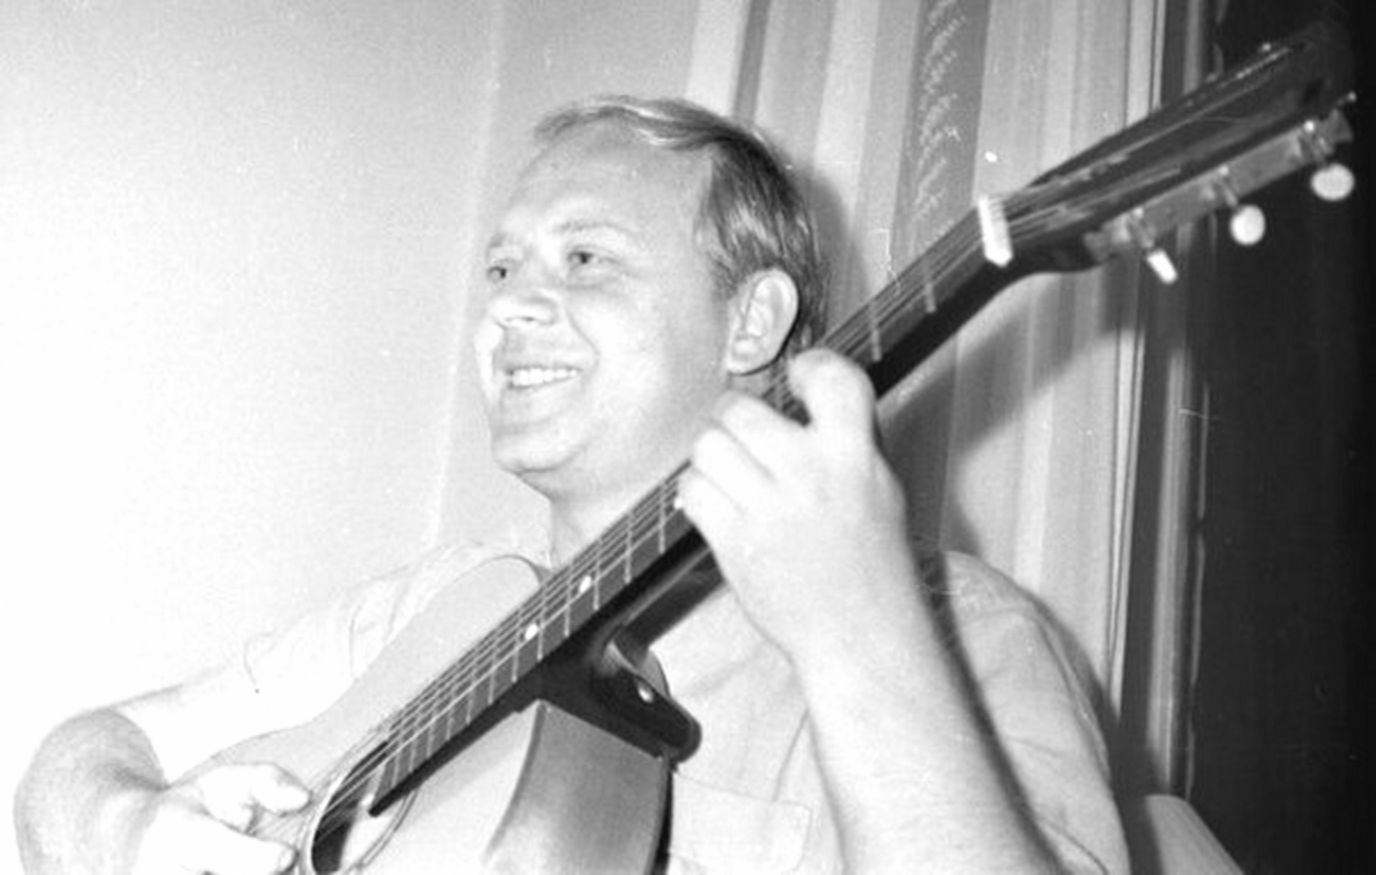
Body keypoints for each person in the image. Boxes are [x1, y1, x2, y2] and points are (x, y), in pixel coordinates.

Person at [15, 96, 1128, 873]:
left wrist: (856, 631)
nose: (507, 304)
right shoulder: (433, 605)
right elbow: (85, 752)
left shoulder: (960, 634)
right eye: (501, 266)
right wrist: (121, 828)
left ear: (751, 320)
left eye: (585, 258)